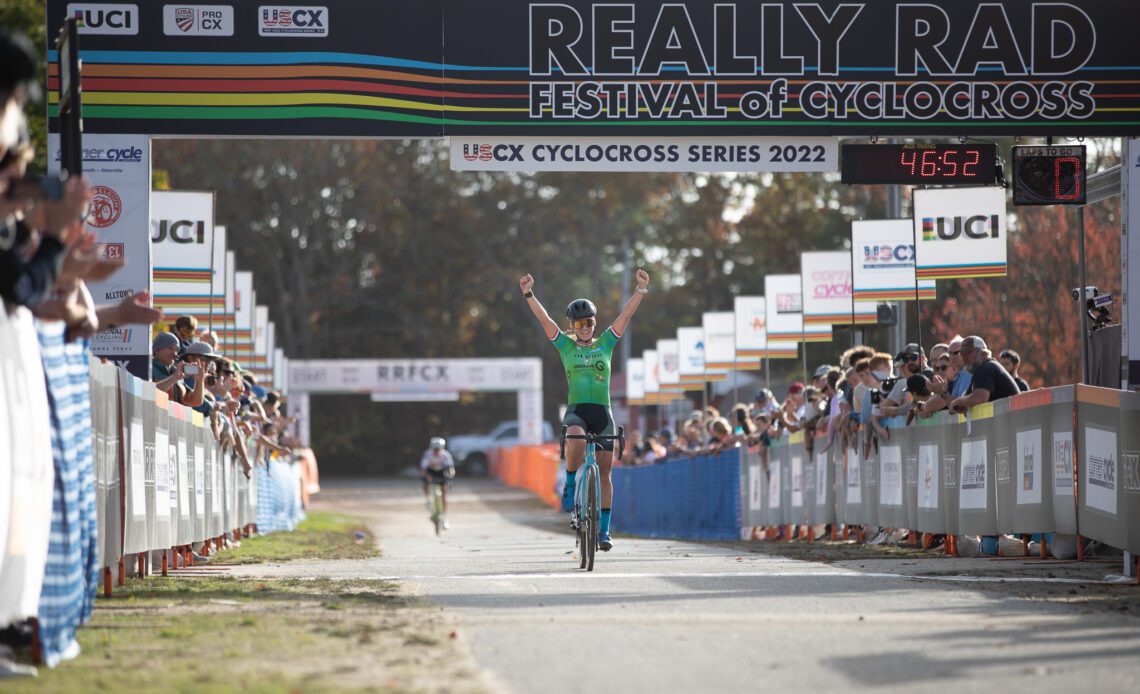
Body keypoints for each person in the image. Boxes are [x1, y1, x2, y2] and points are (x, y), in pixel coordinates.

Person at [519, 267, 649, 552]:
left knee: (605, 474)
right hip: (578, 410)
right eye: (579, 324)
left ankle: (604, 532)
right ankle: (568, 481)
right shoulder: (565, 346)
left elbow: (625, 315)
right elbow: (545, 319)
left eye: (588, 322)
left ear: (593, 322)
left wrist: (640, 290)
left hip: (603, 414)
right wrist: (529, 294)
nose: (585, 327)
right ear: (572, 326)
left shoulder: (606, 343)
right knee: (575, 436)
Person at [949, 336, 1020, 412]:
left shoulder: (985, 369)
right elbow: (968, 398)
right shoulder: (984, 368)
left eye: (968, 352)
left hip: (1013, 420)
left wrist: (958, 402)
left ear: (983, 353)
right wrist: (962, 404)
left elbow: (979, 398)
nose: (964, 357)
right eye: (962, 354)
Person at [420, 437, 455, 527]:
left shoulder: (446, 455)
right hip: (431, 472)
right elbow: (423, 469)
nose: (436, 451)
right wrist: (426, 477)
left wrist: (450, 475)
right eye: (434, 449)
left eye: (438, 449)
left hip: (441, 472)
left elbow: (450, 468)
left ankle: (444, 517)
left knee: (444, 495)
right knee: (425, 484)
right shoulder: (427, 455)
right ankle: (427, 500)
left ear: (442, 448)